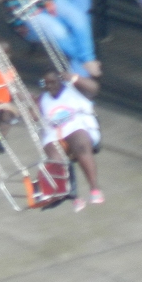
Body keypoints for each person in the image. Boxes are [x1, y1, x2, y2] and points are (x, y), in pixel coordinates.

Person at [38, 70, 103, 211]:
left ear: (61, 81)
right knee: (55, 158)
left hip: (78, 126)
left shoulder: (74, 91)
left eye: (53, 82)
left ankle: (94, 189)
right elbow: (34, 114)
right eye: (45, 83)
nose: (49, 86)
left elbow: (94, 88)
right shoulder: (43, 99)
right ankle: (72, 196)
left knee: (79, 143)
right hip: (56, 133)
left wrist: (75, 78)